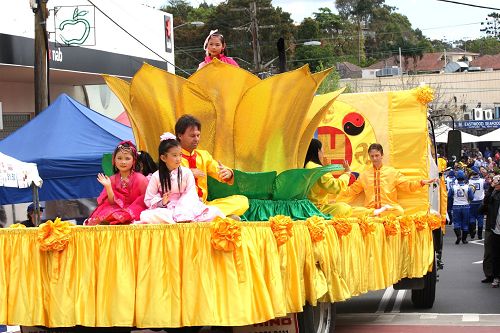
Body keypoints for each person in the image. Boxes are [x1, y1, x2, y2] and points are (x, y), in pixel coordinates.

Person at [139, 133, 224, 224]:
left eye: (180, 155)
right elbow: (148, 199)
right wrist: (162, 202)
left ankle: (184, 219)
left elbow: (191, 194)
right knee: (146, 216)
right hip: (168, 210)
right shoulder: (156, 176)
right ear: (163, 158)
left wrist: (182, 212)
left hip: (187, 208)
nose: (179, 159)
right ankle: (182, 220)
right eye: (175, 155)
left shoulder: (187, 173)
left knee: (215, 212)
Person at [175, 115, 249, 219]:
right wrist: (188, 173)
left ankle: (206, 216)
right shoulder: (173, 156)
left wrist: (228, 173)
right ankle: (213, 217)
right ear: (180, 136)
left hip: (204, 205)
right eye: (192, 136)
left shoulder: (203, 156)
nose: (196, 139)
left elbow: (218, 171)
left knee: (242, 201)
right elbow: (168, 180)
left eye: (198, 135)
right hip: (182, 207)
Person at [336, 143, 437, 217]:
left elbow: (408, 185)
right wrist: (335, 188)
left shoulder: (392, 172)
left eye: (377, 155)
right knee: (354, 212)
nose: (374, 158)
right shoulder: (364, 175)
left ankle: (378, 213)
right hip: (370, 211)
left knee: (399, 211)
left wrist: (421, 182)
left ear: (382, 155)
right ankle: (374, 213)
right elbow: (351, 191)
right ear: (369, 157)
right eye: (372, 156)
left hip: (389, 210)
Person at [85, 141, 149, 226]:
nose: (123, 162)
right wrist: (108, 186)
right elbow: (111, 203)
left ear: (134, 161)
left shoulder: (140, 179)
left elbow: (146, 200)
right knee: (105, 214)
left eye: (127, 158)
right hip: (116, 210)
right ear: (114, 160)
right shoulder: (112, 179)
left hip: (135, 209)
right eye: (119, 158)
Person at [304, 138, 352, 217]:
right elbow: (335, 187)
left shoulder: (306, 165)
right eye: (322, 151)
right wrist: (347, 173)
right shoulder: (317, 168)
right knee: (345, 208)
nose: (323, 154)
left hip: (306, 208)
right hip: (316, 209)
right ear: (317, 151)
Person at [480, 174, 500, 287]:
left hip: (494, 226)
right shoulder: (493, 193)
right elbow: (487, 201)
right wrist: (492, 187)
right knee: (489, 252)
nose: (495, 182)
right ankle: (489, 274)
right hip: (492, 226)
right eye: (494, 181)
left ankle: (496, 276)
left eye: (497, 181)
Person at [448, 170, 474, 244]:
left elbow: (449, 196)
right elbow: (472, 197)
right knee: (465, 223)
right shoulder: (468, 187)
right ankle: (464, 239)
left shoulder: (453, 187)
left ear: (457, 178)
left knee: (456, 222)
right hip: (466, 206)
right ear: (464, 178)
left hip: (456, 206)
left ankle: (458, 236)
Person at [469, 166, 485, 239]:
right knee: (480, 218)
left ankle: (472, 232)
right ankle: (480, 235)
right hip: (480, 202)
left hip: (472, 202)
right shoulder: (482, 181)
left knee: (472, 217)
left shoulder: (469, 181)